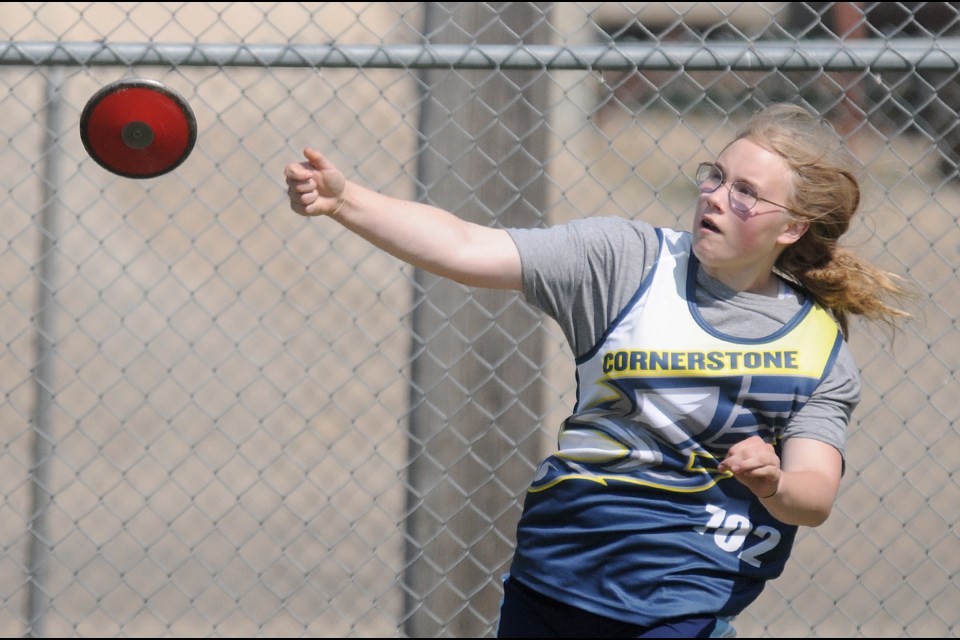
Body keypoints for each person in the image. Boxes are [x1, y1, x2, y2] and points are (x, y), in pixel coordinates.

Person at [284, 103, 912, 638]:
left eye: (746, 192)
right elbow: (466, 246)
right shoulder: (624, 262)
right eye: (715, 177)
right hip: (557, 572)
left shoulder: (816, 346)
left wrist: (772, 483)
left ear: (793, 227)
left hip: (684, 597)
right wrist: (347, 202)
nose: (716, 197)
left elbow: (815, 495)